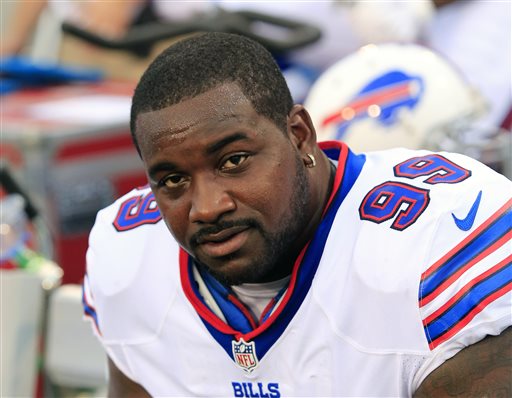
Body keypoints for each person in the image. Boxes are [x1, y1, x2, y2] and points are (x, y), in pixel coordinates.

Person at [82, 32, 511, 397]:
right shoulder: (127, 255)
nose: (208, 207)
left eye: (233, 160)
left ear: (300, 136)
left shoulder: (439, 236)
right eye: (172, 180)